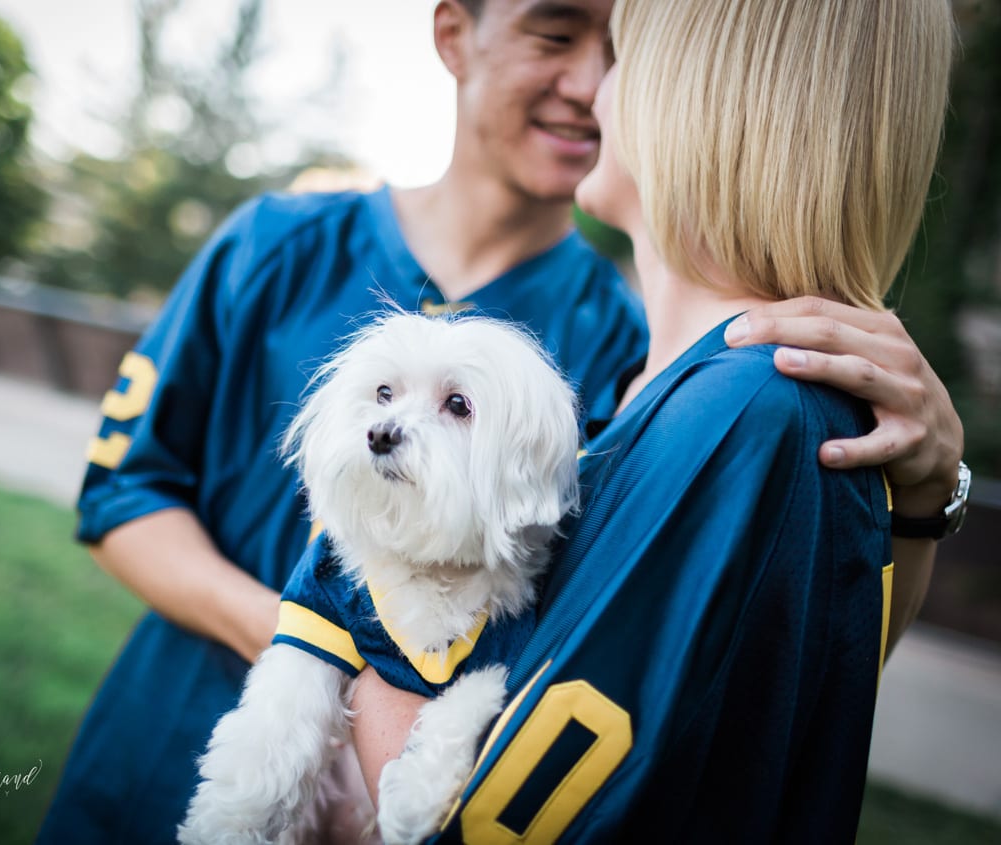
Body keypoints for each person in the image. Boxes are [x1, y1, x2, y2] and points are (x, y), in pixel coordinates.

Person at [36, 1, 965, 842]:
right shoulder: (273, 243)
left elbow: (729, 657)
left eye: (617, 48)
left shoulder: (637, 356)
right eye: (554, 34)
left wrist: (926, 495)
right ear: (454, 36)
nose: (588, 82)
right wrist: (322, 642)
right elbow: (123, 488)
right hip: (164, 753)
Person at [353, 0, 956, 841]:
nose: (595, 89)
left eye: (624, 54)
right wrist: (927, 507)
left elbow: (504, 823)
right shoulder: (679, 391)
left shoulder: (743, 412)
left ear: (697, 95)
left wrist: (360, 659)